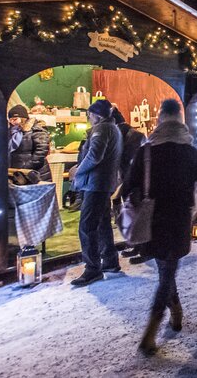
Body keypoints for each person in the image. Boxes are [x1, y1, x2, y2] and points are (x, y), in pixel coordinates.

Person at [122, 99, 197, 355]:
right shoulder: (190, 151)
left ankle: (170, 316)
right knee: (167, 271)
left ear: (161, 118)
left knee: (165, 269)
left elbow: (128, 185)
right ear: (180, 120)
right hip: (178, 221)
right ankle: (153, 330)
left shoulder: (146, 151)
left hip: (151, 220)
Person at [70, 98, 123, 286]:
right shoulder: (114, 128)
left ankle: (92, 268)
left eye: (90, 114)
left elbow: (94, 156)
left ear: (97, 115)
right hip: (104, 183)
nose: (88, 117)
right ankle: (110, 260)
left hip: (96, 184)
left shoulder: (101, 129)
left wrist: (78, 170)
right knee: (102, 223)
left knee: (86, 226)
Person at [111, 107, 150, 265]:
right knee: (133, 215)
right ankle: (137, 245)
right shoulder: (135, 135)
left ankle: (143, 249)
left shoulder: (122, 135)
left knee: (137, 216)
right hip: (130, 180)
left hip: (134, 181)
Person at [7, 104, 52, 181]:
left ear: (23, 118)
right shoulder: (11, 132)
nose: (12, 122)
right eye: (10, 119)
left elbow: (41, 152)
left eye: (15, 119)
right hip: (18, 173)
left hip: (36, 174)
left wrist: (26, 167)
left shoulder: (37, 130)